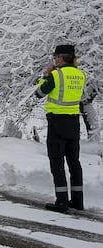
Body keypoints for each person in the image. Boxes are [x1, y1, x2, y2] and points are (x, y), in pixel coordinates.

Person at [34, 44, 86, 213]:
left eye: (56, 57)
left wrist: (46, 75)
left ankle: (61, 201)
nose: (55, 60)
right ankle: (78, 201)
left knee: (57, 162)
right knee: (74, 162)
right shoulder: (80, 74)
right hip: (73, 122)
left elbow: (40, 93)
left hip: (57, 123)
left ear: (62, 58)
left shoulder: (56, 75)